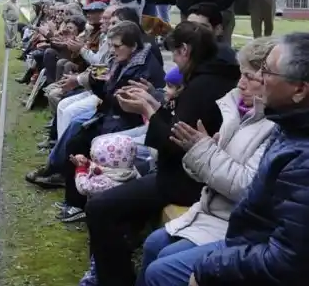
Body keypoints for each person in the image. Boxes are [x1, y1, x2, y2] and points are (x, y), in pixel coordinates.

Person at [86, 22, 239, 285]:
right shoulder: (212, 77)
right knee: (112, 203)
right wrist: (151, 102)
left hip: (185, 183)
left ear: (185, 50)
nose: (175, 64)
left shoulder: (203, 86)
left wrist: (147, 110)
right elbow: (180, 125)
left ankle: (114, 279)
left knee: (100, 208)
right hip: (185, 175)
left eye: (176, 55)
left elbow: (175, 142)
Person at [139, 37, 276, 286]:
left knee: (163, 268)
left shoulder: (274, 126)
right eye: (240, 74)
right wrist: (197, 151)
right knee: (153, 243)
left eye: (249, 76)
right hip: (211, 211)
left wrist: (202, 150)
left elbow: (246, 186)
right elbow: (205, 172)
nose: (241, 83)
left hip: (238, 224)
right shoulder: (237, 112)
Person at [184, 32, 309, 286]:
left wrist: (210, 268)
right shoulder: (285, 123)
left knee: (161, 269)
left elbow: (286, 259)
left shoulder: (297, 150)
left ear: (299, 90)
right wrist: (203, 150)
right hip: (237, 236)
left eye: (266, 73)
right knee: (157, 249)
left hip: (238, 238)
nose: (258, 80)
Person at [53, 20, 166, 223]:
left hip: (128, 121)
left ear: (133, 46)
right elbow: (108, 91)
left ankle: (79, 202)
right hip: (114, 115)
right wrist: (96, 83)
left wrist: (105, 88)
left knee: (82, 141)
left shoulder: (143, 67)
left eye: (116, 46)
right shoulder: (123, 60)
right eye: (111, 46)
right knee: (76, 138)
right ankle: (73, 198)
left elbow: (126, 102)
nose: (112, 51)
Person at [73, 134, 140, 286]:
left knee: (101, 254)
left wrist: (81, 168)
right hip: (125, 224)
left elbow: (83, 187)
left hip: (103, 224)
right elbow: (106, 168)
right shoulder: (131, 172)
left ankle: (94, 276)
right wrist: (90, 163)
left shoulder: (104, 181)